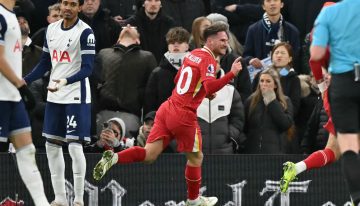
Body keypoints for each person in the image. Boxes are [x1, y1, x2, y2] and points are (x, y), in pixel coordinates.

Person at [93, 22, 243, 206]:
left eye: (226, 40)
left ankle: (113, 157)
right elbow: (211, 85)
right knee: (196, 158)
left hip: (167, 108)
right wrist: (231, 74)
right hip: (184, 115)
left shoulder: (193, 55)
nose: (225, 44)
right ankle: (193, 200)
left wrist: (202, 91)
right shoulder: (208, 59)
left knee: (149, 155)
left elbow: (178, 78)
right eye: (222, 40)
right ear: (210, 41)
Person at [24, 0, 95, 205]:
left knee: (74, 145)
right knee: (52, 145)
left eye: (73, 4)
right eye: (65, 3)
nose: (67, 8)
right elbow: (45, 63)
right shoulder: (51, 29)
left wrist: (65, 80)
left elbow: (88, 69)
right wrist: (25, 80)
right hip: (54, 95)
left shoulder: (86, 32)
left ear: (79, 8)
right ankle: (60, 198)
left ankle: (80, 199)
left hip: (76, 94)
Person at [310, 0, 360, 204]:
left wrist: (322, 84)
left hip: (342, 82)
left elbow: (315, 56)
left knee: (348, 147)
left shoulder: (328, 15)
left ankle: (357, 198)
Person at [0, 0, 50, 206]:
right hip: (2, 96)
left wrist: (18, 89)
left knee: (27, 151)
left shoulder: (12, 15)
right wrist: (20, 85)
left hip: (12, 97)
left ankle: (42, 203)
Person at [243, 68, 294, 154]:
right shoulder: (251, 100)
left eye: (268, 81)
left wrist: (272, 102)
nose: (264, 84)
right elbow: (244, 126)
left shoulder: (285, 100)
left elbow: (286, 124)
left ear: (275, 85)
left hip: (275, 151)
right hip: (252, 151)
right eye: (262, 81)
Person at [243, 0, 300, 72]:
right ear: (263, 6)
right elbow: (245, 56)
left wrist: (283, 75)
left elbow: (296, 60)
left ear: (282, 4)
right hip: (261, 78)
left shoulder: (293, 31)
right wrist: (250, 60)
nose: (272, 3)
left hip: (285, 77)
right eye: (268, 1)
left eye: (275, 0)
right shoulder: (253, 29)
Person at [144, 26, 190, 115]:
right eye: (172, 42)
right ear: (168, 46)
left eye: (180, 42)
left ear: (187, 46)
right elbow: (150, 104)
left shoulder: (196, 69)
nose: (176, 45)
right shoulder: (157, 73)